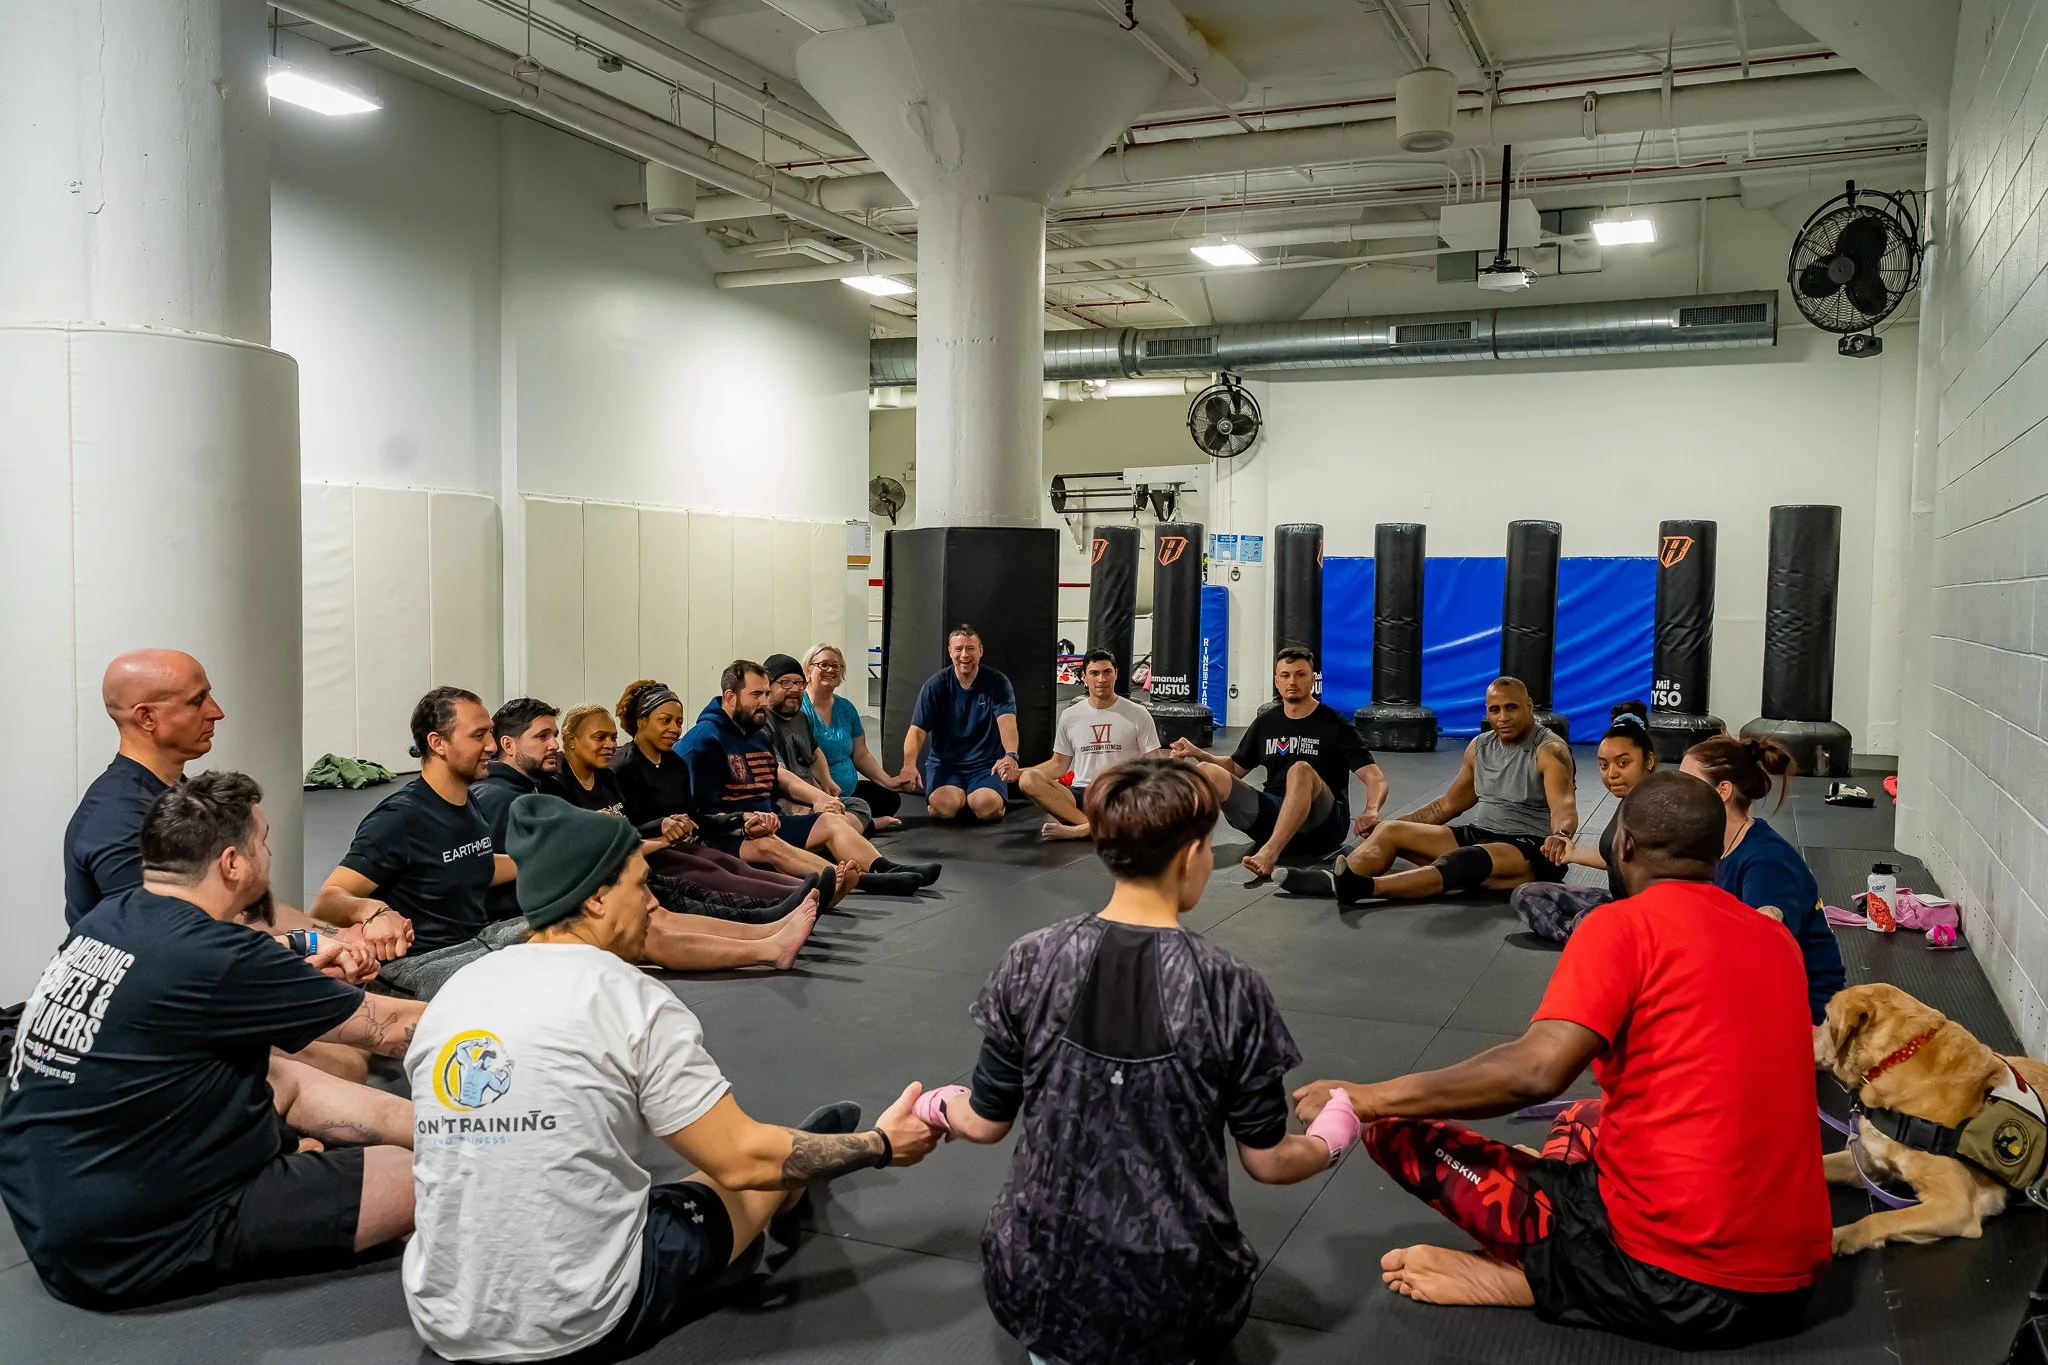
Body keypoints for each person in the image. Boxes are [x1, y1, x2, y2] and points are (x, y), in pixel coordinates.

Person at [1290, 773, 1831, 1349]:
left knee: (1392, 1129)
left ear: (1622, 847)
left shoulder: (1621, 925)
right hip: (1792, 1284)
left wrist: (1368, 1097)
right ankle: (1568, 1255)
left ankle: (1541, 1279)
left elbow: (1536, 1071)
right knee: (1583, 1119)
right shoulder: (1775, 941)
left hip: (1672, 1288)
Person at [402, 793, 942, 1364]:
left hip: (442, 1317)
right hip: (573, 1327)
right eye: (641, 886)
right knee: (738, 1182)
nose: (653, 903)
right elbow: (740, 1160)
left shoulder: (454, 992)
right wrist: (882, 1146)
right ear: (598, 897)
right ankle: (796, 1179)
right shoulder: (627, 997)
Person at [910, 760, 1361, 1364]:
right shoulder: (1230, 986)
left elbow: (984, 1121)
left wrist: (934, 1103)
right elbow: (1271, 1162)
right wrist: (1334, 1136)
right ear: (1189, 857)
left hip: (1039, 1278)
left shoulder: (1030, 959)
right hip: (1176, 1294)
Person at [1, 772, 424, 1310]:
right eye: (264, 843)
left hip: (54, 1214)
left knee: (276, 1071)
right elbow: (388, 1029)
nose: (269, 854)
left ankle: (415, 1130)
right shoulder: (217, 955)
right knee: (419, 1177)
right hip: (132, 1247)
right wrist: (508, 1016)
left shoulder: (110, 918)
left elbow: (192, 997)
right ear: (231, 863)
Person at [1281, 676, 1576, 907]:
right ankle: (1337, 880)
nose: (1503, 717)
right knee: (1391, 830)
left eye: (1511, 707)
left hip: (1530, 847)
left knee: (1465, 859)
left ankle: (1367, 888)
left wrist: (1560, 836)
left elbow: (1564, 808)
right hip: (1482, 834)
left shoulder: (1549, 751)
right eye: (1494, 709)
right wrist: (1389, 826)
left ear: (1529, 706)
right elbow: (1447, 805)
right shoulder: (1480, 746)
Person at [678, 661, 941, 897]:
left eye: (766, 694)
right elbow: (702, 817)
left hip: (767, 823)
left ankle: (886, 867)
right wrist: (745, 823)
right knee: (767, 844)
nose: (764, 701)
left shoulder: (758, 735)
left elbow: (782, 778)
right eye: (756, 694)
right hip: (724, 835)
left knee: (830, 821)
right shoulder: (703, 741)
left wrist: (819, 797)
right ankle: (864, 881)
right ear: (730, 697)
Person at [548, 702, 826, 920]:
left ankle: (804, 892)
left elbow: (637, 826)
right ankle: (793, 899)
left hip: (650, 850)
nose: (609, 744)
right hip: (628, 863)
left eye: (611, 737)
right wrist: (661, 833)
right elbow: (591, 844)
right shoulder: (610, 770)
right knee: (705, 877)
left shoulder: (615, 774)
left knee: (725, 865)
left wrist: (738, 820)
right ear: (570, 740)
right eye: (600, 738)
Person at [313, 687, 515, 960]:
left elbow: (473, 862)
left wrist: (547, 856)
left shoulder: (465, 800)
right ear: (437, 743)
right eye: (479, 735)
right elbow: (327, 901)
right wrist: (374, 912)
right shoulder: (398, 818)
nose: (492, 745)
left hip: (475, 945)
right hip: (425, 962)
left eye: (489, 732)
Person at [1172, 648, 1389, 879]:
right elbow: (1235, 768)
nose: (1292, 681)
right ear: (1277, 681)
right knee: (1206, 772)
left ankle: (1269, 853)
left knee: (1300, 770)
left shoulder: (1335, 725)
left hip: (1322, 824)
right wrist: (1199, 754)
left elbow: (1375, 777)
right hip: (1274, 814)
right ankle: (1172, 848)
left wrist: (1371, 810)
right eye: (1285, 675)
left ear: (1313, 679)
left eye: (1300, 674)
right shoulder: (1266, 723)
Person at [1681, 735, 1845, 1025]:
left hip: (1806, 1019)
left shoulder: (1767, 862)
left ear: (1723, 791)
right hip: (1750, 996)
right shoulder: (1715, 845)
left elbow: (1766, 950)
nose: (1676, 793)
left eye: (1687, 784)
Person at [64, 649, 224, 927]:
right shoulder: (120, 818)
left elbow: (236, 907)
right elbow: (159, 936)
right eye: (197, 700)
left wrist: (320, 935)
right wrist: (299, 944)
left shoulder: (179, 795)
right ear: (146, 717)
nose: (216, 712)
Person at [1509, 702, 1657, 942]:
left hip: (1646, 914)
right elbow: (1616, 857)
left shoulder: (1657, 805)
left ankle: (1598, 939)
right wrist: (1572, 854)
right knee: (1526, 894)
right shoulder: (1629, 800)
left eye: (1623, 763)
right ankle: (1588, 938)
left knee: (1587, 920)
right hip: (1618, 902)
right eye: (1604, 765)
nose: (1612, 774)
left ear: (1649, 760)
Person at [1019, 649, 1163, 842]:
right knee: (1028, 780)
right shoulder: (1070, 716)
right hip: (1082, 794)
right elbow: (1058, 765)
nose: (1101, 679)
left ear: (1116, 674)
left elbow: (1155, 762)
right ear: (1084, 677)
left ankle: (1081, 829)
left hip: (1119, 794)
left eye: (1107, 672)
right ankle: (1093, 827)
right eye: (1095, 673)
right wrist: (1020, 773)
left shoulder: (1138, 713)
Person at [897, 624, 1020, 823]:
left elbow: (1007, 722)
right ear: (950, 651)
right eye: (958, 649)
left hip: (985, 764)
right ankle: (956, 799)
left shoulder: (997, 682)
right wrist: (909, 765)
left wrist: (1011, 755)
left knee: (986, 808)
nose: (964, 655)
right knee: (946, 808)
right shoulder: (935, 685)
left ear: (980, 651)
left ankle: (980, 799)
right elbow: (917, 730)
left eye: (970, 648)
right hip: (946, 765)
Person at [761, 653, 875, 833]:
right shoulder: (763, 723)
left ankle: (836, 833)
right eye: (785, 682)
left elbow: (814, 754)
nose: (794, 689)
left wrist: (827, 782)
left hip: (813, 797)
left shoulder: (799, 719)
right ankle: (843, 833)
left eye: (799, 683)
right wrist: (819, 798)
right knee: (828, 818)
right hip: (786, 802)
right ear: (767, 686)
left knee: (859, 805)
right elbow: (780, 775)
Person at [471, 698, 562, 921]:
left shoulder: (533, 787)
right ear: (508, 745)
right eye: (542, 736)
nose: (554, 745)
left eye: (554, 736)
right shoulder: (498, 799)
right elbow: (478, 876)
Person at [801, 642, 908, 831]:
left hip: (848, 790)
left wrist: (888, 781)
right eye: (823, 665)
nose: (830, 670)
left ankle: (853, 818)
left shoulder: (846, 707)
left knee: (889, 798)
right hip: (816, 793)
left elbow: (861, 754)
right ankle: (868, 824)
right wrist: (822, 794)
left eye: (836, 666)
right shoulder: (800, 709)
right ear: (808, 670)